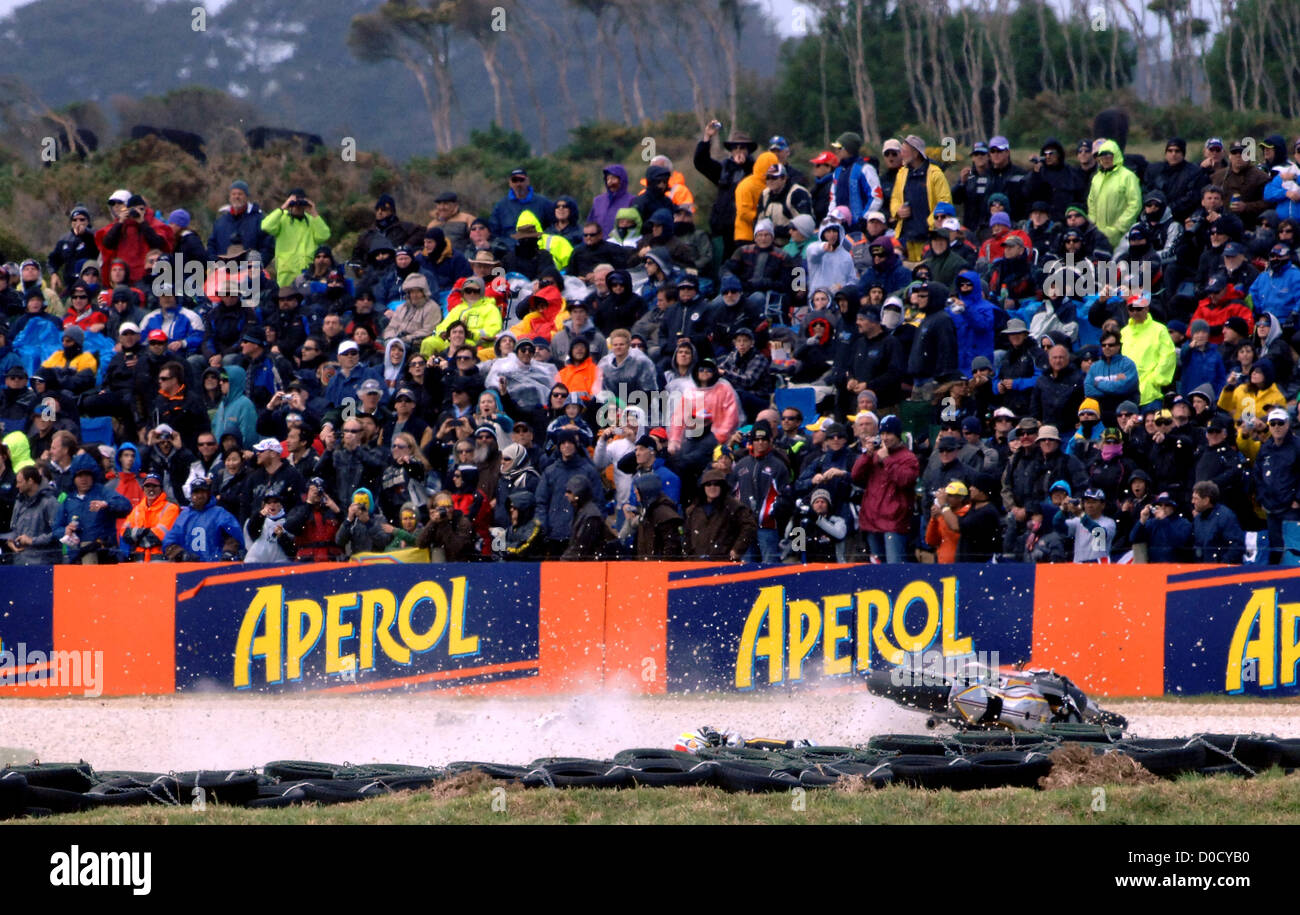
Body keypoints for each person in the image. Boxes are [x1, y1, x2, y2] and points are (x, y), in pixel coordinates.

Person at [852, 414, 919, 563]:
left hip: (894, 522)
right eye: (882, 434)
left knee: (893, 567)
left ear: (897, 435)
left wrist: (887, 460)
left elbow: (905, 480)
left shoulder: (908, 457)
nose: (885, 438)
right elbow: (856, 475)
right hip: (872, 519)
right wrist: (866, 455)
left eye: (889, 434)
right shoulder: (875, 454)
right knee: (877, 569)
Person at [53, 452, 131, 564]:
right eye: (80, 475)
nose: (84, 479)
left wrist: (107, 504)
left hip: (104, 555)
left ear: (93, 476)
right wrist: (65, 530)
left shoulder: (102, 492)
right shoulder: (68, 501)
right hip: (77, 557)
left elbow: (126, 505)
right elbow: (56, 529)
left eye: (87, 475)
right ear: (74, 478)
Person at [161, 475, 243, 562]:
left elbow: (233, 536)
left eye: (203, 492)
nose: (199, 496)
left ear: (208, 494)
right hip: (188, 568)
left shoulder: (220, 513)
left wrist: (228, 552)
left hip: (215, 567)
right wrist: (180, 554)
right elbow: (170, 541)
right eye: (196, 492)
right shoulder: (184, 516)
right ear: (191, 495)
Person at [261, 188, 331, 288]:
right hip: (286, 272)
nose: (297, 205)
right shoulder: (281, 218)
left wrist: (314, 212)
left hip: (307, 271)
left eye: (300, 201)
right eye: (294, 201)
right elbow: (266, 226)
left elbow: (324, 236)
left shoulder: (312, 220)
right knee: (286, 299)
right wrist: (283, 207)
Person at [685, 468, 757, 561]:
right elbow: (686, 535)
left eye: (716, 484)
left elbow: (749, 527)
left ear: (722, 486)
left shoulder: (734, 506)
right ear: (703, 487)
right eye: (708, 484)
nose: (712, 487)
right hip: (698, 562)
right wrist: (688, 556)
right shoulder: (694, 509)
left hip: (724, 562)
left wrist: (737, 550)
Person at [120, 472, 180, 562]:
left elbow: (158, 537)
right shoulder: (137, 509)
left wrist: (137, 537)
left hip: (161, 563)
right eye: (148, 486)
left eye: (155, 486)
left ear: (161, 489)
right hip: (139, 562)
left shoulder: (171, 508)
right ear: (143, 489)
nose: (151, 489)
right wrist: (146, 532)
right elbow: (124, 533)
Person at [1053, 486, 1116, 562]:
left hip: (1099, 567)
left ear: (1103, 505)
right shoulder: (1077, 521)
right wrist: (1063, 510)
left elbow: (1099, 533)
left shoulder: (1109, 522)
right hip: (1079, 567)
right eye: (1087, 502)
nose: (1090, 505)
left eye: (1094, 502)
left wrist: (1081, 515)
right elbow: (1057, 524)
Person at [1190, 480, 1245, 563]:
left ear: (1206, 500)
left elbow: (1236, 546)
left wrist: (1221, 566)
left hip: (1222, 570)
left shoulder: (1226, 517)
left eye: (1196, 498)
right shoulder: (1198, 519)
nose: (1192, 501)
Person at [417, 490, 476, 561]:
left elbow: (456, 549)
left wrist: (444, 524)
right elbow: (421, 544)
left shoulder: (462, 522)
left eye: (449, 507)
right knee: (437, 551)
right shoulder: (435, 522)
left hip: (461, 563)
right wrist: (432, 522)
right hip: (439, 563)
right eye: (443, 508)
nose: (447, 511)